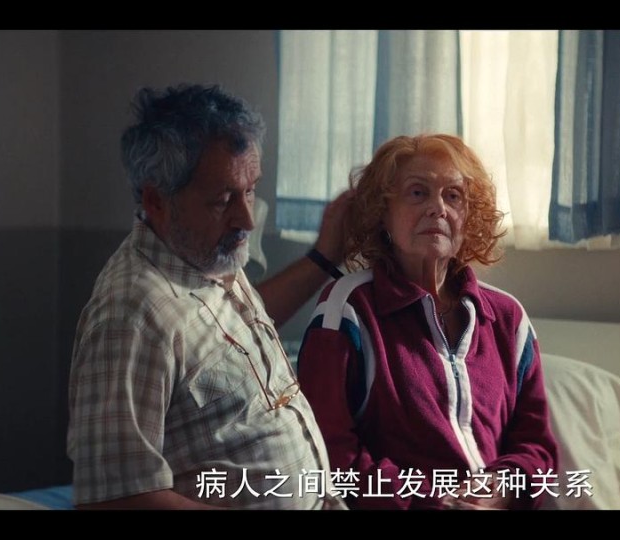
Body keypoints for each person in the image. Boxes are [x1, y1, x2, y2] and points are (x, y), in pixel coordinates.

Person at [66, 84, 353, 510]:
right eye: (223, 200)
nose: (247, 219)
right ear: (156, 200)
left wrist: (324, 258)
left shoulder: (207, 256)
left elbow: (218, 343)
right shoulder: (131, 314)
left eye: (250, 190)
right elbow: (117, 497)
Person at [296, 134, 559, 510]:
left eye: (453, 196)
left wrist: (501, 489)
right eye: (418, 193)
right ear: (383, 212)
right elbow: (330, 452)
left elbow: (537, 446)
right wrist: (434, 502)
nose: (438, 208)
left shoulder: (507, 317)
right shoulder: (348, 308)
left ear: (470, 215)